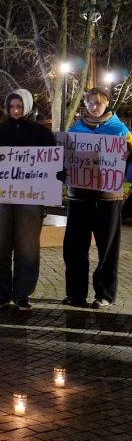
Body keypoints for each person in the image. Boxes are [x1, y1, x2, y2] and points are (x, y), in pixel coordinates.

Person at [0, 90, 56, 311]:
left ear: (27, 106)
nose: (16, 110)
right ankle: (2, 293)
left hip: (30, 199)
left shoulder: (42, 134)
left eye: (19, 106)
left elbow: (52, 163)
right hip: (1, 198)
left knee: (27, 247)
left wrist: (56, 175)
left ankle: (23, 293)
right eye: (12, 106)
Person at [62, 86, 132, 309]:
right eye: (91, 102)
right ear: (86, 104)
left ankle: (104, 294)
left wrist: (128, 157)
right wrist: (62, 172)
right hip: (78, 197)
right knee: (74, 248)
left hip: (107, 198)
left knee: (107, 248)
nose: (94, 107)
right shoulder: (74, 130)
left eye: (99, 103)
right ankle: (75, 293)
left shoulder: (121, 131)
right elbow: (64, 160)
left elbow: (129, 167)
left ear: (107, 104)